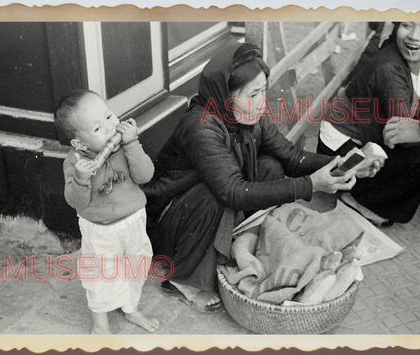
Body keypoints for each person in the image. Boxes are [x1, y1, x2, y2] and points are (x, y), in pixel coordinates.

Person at [143, 42, 382, 313]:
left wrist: (343, 165)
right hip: (171, 222)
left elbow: (292, 156)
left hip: (204, 207)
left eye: (263, 91)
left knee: (271, 167)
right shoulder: (202, 126)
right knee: (216, 195)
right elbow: (232, 192)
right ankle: (179, 278)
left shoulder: (251, 115)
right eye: (253, 94)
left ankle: (235, 243)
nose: (261, 102)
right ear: (224, 96)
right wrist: (312, 185)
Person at [54, 90, 159, 334]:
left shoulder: (125, 145)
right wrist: (81, 178)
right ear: (79, 143)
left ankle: (130, 308)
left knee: (137, 266)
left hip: (133, 220)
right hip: (100, 230)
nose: (111, 127)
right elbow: (76, 202)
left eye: (109, 116)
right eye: (98, 128)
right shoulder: (75, 163)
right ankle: (100, 326)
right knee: (101, 276)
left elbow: (145, 176)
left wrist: (133, 143)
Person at [318, 22, 420, 226]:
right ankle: (361, 199)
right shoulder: (390, 70)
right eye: (407, 25)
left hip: (371, 135)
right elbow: (402, 136)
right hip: (341, 157)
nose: (414, 36)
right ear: (397, 26)